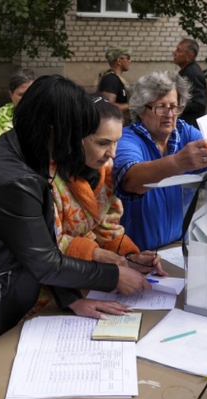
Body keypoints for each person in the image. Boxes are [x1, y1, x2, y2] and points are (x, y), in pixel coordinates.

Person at [0, 75, 151, 386]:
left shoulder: (25, 151)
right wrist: (115, 276)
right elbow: (45, 262)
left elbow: (39, 243)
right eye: (78, 132)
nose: (81, 141)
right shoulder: (16, 179)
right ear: (54, 130)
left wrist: (71, 299)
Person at [25, 93, 169, 319]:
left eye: (117, 142)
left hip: (86, 285)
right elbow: (49, 247)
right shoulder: (44, 179)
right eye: (103, 143)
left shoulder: (104, 170)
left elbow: (108, 226)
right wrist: (103, 258)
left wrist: (131, 257)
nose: (112, 153)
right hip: (42, 292)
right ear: (75, 138)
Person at [112, 71, 207, 251]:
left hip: (177, 247)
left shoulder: (186, 132)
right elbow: (130, 180)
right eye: (161, 107)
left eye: (174, 106)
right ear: (141, 111)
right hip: (134, 254)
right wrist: (178, 163)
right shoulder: (127, 139)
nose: (170, 114)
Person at [0, 68, 36, 141]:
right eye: (21, 94)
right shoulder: (3, 116)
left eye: (32, 93)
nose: (27, 98)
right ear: (11, 95)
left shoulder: (46, 114)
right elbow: (3, 148)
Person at [173, 38, 207, 128]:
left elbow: (200, 104)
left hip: (190, 126)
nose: (174, 52)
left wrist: (176, 106)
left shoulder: (192, 73)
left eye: (178, 51)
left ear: (189, 57)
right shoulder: (186, 70)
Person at [98, 45, 131, 117]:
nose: (129, 61)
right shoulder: (111, 79)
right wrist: (130, 106)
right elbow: (107, 106)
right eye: (127, 58)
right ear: (119, 61)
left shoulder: (117, 78)